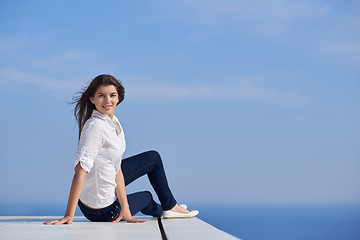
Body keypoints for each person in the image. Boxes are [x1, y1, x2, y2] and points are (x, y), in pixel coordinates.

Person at [44, 74, 198, 225]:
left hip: (96, 197)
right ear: (92, 99)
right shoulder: (95, 126)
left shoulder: (113, 123)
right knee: (147, 197)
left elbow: (116, 167)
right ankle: (166, 210)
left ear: (119, 98)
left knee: (152, 158)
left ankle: (170, 207)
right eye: (101, 96)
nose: (108, 100)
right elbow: (80, 171)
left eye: (112, 95)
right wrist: (68, 215)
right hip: (103, 211)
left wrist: (126, 206)